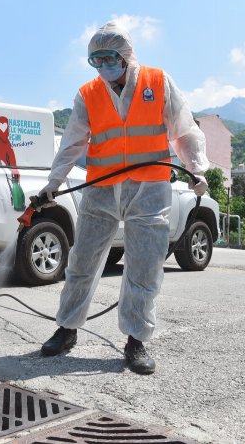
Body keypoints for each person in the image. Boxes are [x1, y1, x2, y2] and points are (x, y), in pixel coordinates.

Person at [38, 21, 209, 375]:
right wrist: (54, 182)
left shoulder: (157, 82)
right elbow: (72, 142)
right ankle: (67, 329)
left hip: (148, 188)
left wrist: (197, 169)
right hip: (101, 188)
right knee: (82, 260)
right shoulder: (88, 94)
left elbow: (184, 128)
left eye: (108, 58)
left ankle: (135, 339)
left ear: (127, 56)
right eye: (95, 60)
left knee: (144, 264)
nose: (103, 67)